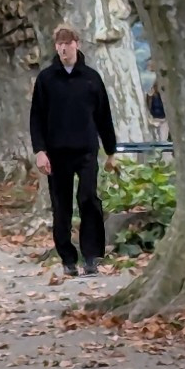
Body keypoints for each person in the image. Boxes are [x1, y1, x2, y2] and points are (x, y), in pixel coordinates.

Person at [28, 26, 118, 277]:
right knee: (62, 206)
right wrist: (40, 151)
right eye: (59, 44)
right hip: (56, 152)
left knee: (88, 198)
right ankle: (67, 258)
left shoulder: (91, 78)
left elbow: (104, 116)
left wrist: (111, 150)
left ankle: (91, 256)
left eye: (67, 43)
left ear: (77, 44)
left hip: (86, 149)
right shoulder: (46, 79)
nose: (63, 48)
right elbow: (36, 117)